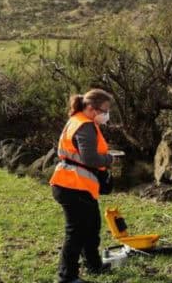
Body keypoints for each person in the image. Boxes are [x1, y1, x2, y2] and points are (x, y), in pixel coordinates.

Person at [49, 89, 116, 283]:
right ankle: (67, 276)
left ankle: (93, 265)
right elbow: (90, 158)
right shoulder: (84, 125)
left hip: (76, 185)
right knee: (76, 233)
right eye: (104, 110)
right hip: (72, 186)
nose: (106, 114)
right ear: (91, 108)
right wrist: (110, 159)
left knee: (92, 227)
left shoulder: (78, 120)